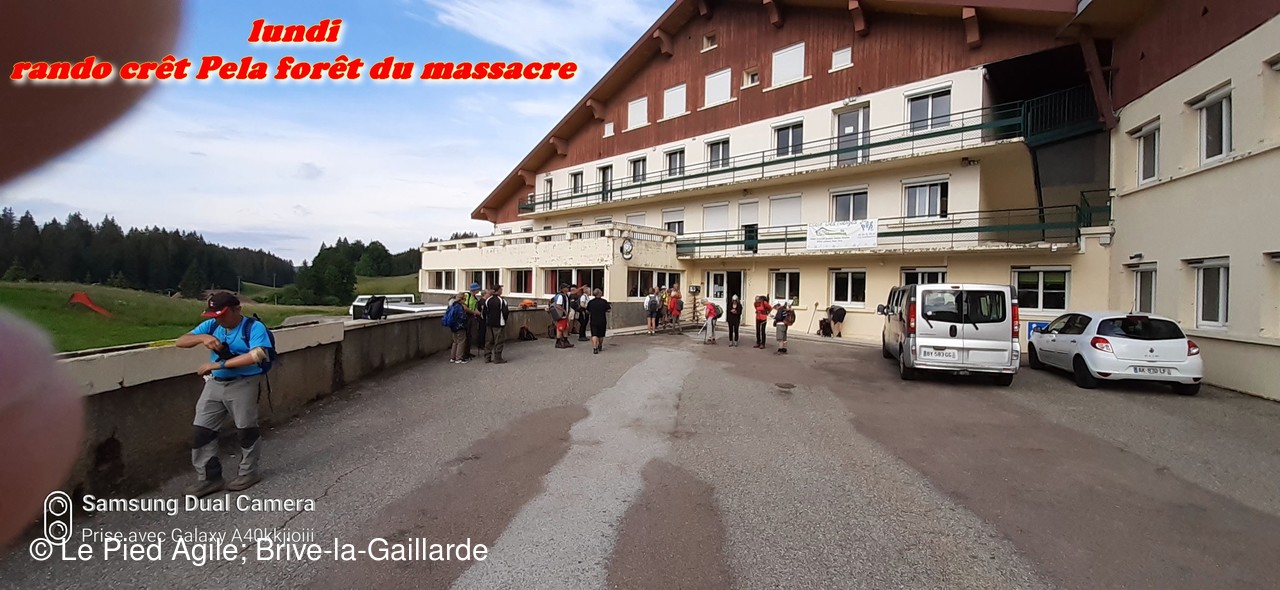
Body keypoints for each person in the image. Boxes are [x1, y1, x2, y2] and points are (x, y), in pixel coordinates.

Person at [174, 292, 273, 496]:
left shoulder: (254, 327)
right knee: (202, 430)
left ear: (237, 310)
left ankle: (248, 473)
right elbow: (180, 341)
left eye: (222, 315)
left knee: (246, 429)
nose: (218, 320)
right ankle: (209, 478)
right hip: (215, 384)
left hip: (244, 383)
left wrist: (219, 364)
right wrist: (202, 337)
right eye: (214, 316)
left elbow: (258, 354)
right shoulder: (212, 326)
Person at [484, 284, 510, 363]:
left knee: (489, 341)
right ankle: (498, 358)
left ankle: (487, 357)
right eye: (501, 290)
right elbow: (505, 312)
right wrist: (504, 321)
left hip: (489, 323)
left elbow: (484, 312)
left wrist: (487, 319)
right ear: (498, 291)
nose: (501, 291)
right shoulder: (502, 301)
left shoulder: (488, 300)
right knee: (499, 341)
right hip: (499, 323)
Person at [586, 288, 611, 353]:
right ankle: (600, 345)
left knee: (594, 334)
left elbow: (587, 311)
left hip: (593, 320)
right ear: (599, 294)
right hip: (602, 320)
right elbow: (609, 310)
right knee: (601, 335)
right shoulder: (604, 302)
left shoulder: (591, 302)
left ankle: (595, 347)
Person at [447, 293, 469, 364]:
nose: (465, 301)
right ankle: (459, 358)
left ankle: (452, 357)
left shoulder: (451, 305)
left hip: (453, 326)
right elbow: (462, 317)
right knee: (461, 342)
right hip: (460, 326)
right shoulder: (459, 307)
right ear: (461, 299)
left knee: (455, 341)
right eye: (464, 299)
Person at [462, 283, 482, 361]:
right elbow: (465, 307)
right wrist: (473, 312)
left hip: (471, 317)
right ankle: (464, 353)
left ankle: (467, 352)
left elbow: (474, 308)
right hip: (466, 317)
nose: (479, 290)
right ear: (474, 289)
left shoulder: (474, 298)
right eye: (478, 289)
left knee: (470, 335)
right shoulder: (467, 295)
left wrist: (480, 314)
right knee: (466, 335)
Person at [553, 283, 575, 348]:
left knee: (565, 327)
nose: (568, 288)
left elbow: (573, 292)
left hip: (565, 315)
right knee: (560, 328)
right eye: (566, 287)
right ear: (563, 289)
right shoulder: (561, 296)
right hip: (561, 315)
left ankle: (565, 340)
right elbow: (558, 305)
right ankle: (558, 342)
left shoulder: (566, 295)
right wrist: (564, 311)